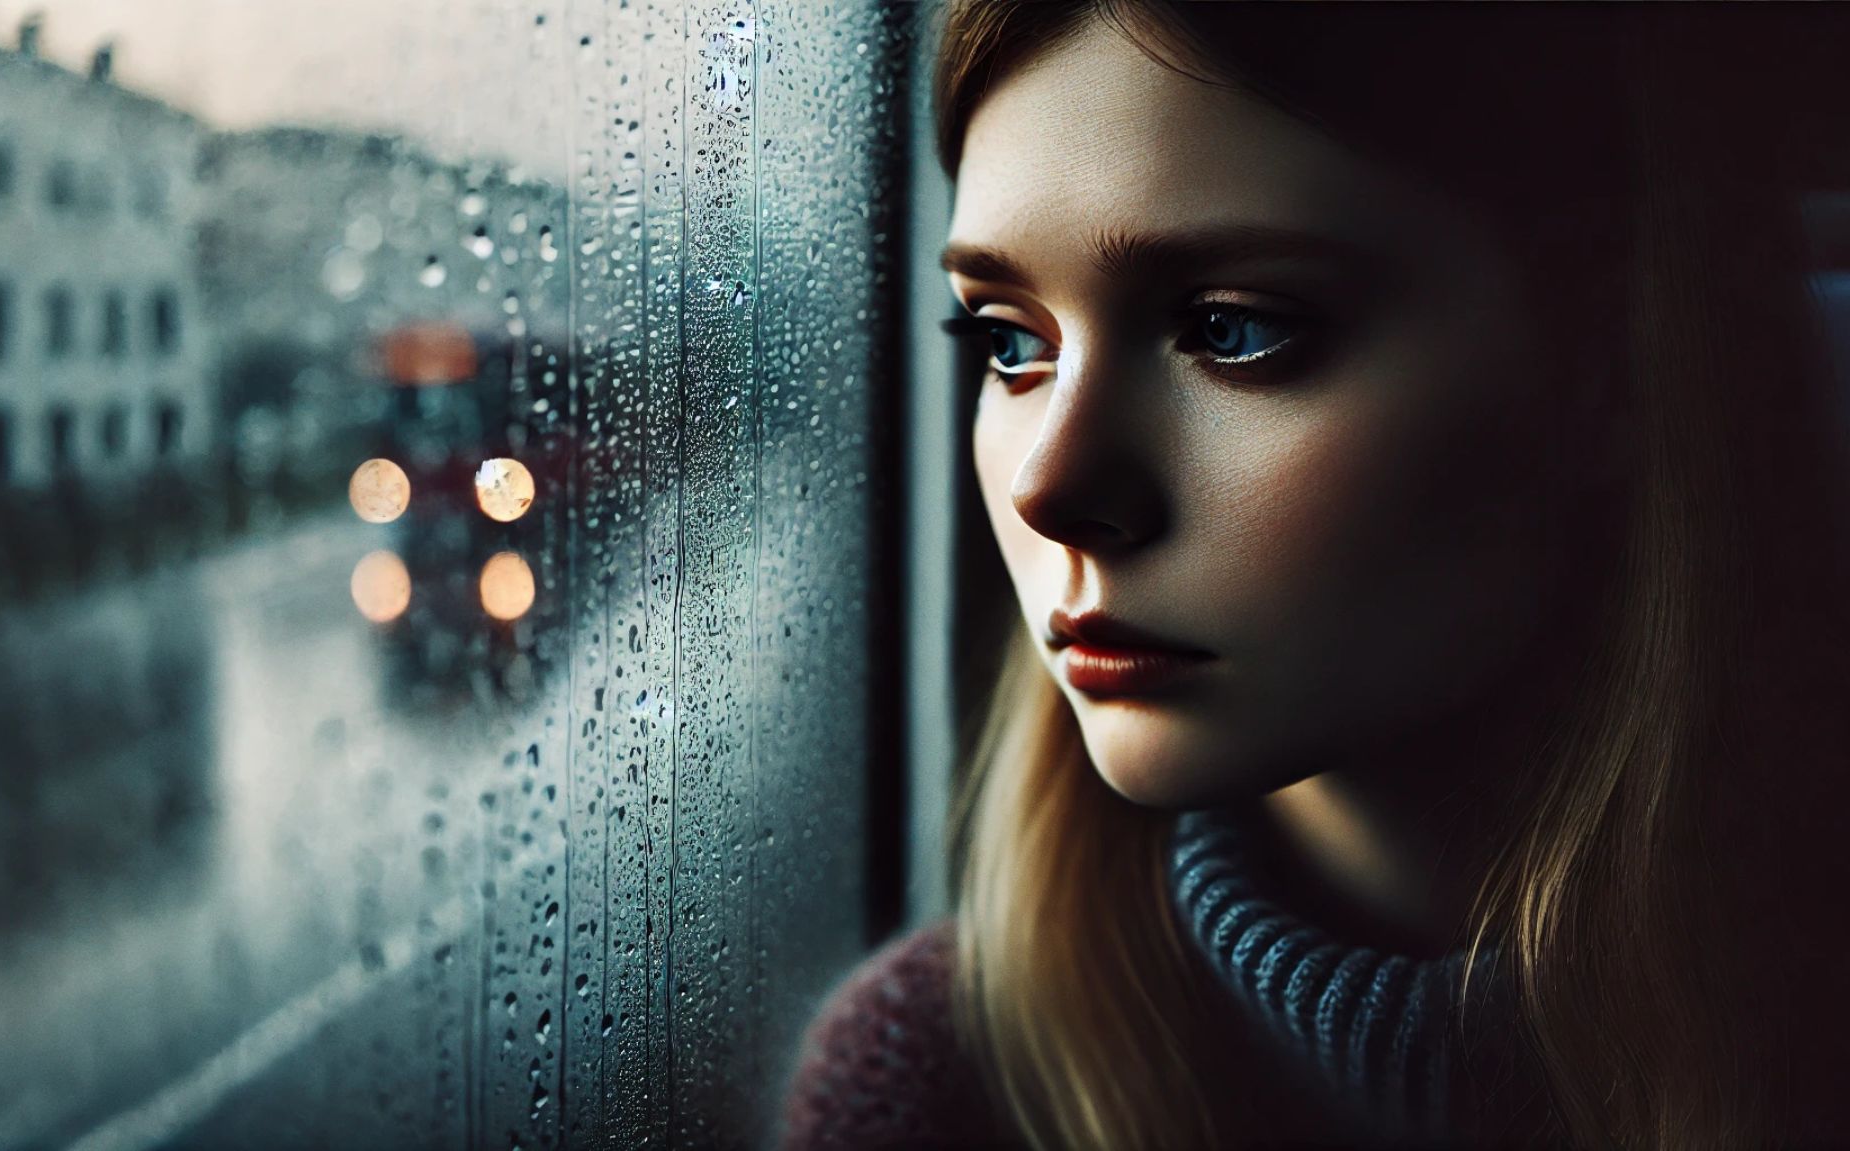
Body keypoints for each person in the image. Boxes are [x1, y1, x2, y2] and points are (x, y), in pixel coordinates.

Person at [783, 3, 1850, 1148]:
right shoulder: (937, 1089)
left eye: (1233, 328)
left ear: (1611, 362)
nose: (1051, 485)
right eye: (1010, 340)